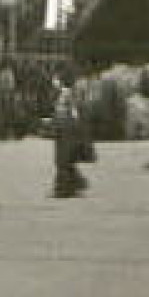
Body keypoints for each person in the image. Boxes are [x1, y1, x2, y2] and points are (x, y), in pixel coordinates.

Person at [51, 66, 87, 198]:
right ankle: (74, 184)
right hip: (63, 129)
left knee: (63, 160)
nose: (53, 81)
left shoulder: (66, 94)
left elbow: (72, 112)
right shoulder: (64, 93)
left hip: (66, 129)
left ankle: (63, 188)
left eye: (55, 79)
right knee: (64, 160)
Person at [0, 57, 19, 141]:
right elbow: (11, 85)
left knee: (4, 114)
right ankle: (4, 133)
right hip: (5, 95)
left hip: (4, 95)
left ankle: (3, 133)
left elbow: (5, 85)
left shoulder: (3, 73)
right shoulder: (8, 73)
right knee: (6, 113)